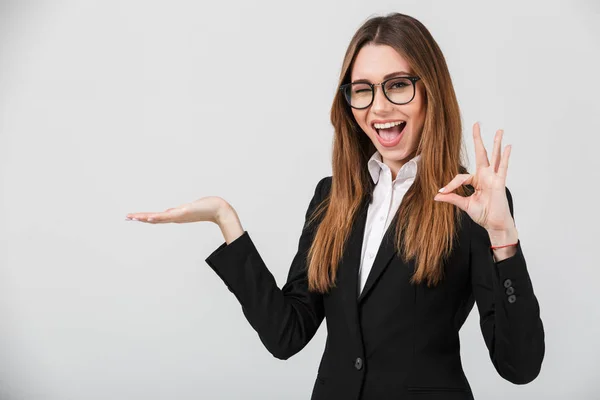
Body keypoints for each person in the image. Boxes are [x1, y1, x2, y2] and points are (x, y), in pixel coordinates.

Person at [125, 12, 544, 400]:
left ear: (430, 91)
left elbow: (519, 367)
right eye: (363, 90)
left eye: (397, 84)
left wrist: (503, 238)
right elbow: (286, 335)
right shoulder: (332, 198)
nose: (379, 107)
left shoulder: (473, 205)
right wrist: (225, 219)